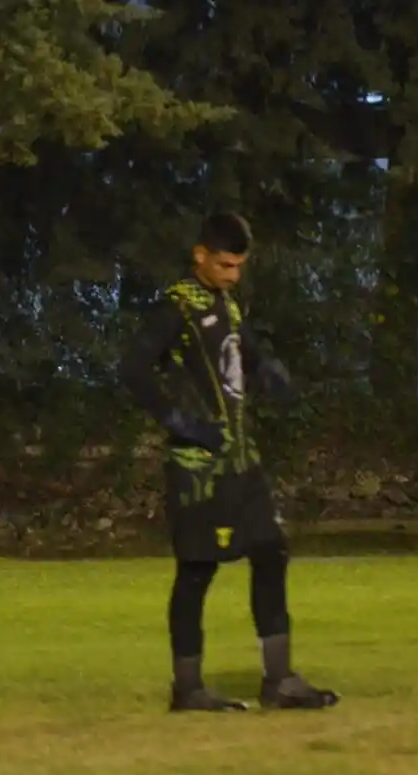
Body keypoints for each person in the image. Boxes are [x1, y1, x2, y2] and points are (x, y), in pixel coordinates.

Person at [119, 212, 339, 711]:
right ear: (200, 255)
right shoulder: (176, 308)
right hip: (198, 466)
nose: (233, 275)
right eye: (225, 265)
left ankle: (279, 680)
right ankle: (188, 688)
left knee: (271, 551)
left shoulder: (225, 304)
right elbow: (133, 370)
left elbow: (245, 351)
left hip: (241, 458)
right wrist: (179, 422)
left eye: (240, 266)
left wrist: (269, 368)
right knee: (197, 570)